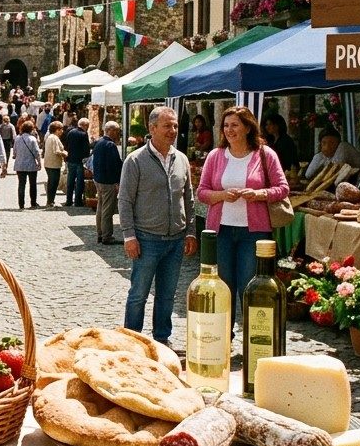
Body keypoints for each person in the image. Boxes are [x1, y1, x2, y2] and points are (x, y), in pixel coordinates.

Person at [198, 106, 290, 335]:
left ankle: (254, 338)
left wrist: (259, 194)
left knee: (251, 286)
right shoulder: (215, 156)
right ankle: (223, 337)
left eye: (235, 125)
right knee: (223, 286)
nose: (229, 130)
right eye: (226, 125)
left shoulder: (265, 154)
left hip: (254, 233)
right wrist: (221, 195)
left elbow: (283, 188)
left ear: (248, 128)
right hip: (221, 232)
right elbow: (202, 192)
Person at [119, 107, 198, 348]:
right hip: (147, 239)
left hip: (176, 239)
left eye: (175, 126)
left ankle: (162, 338)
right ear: (152, 128)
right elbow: (125, 200)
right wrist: (129, 236)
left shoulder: (181, 159)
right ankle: (132, 340)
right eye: (167, 126)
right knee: (139, 294)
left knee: (167, 294)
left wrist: (191, 232)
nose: (172, 130)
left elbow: (188, 199)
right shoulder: (135, 160)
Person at [93, 121, 124, 244]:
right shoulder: (110, 145)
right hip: (107, 181)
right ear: (111, 130)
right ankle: (107, 236)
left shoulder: (99, 142)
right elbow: (114, 165)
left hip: (99, 179)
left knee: (101, 207)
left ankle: (100, 233)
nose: (117, 133)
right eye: (116, 131)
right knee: (107, 209)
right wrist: (117, 181)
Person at [12, 120, 43, 209]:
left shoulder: (18, 138)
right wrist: (39, 163)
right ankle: (33, 202)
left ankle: (21, 204)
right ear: (31, 129)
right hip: (31, 165)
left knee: (21, 184)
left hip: (20, 165)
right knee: (32, 184)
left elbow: (14, 152)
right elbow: (36, 152)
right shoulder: (32, 139)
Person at [64, 117, 91, 207]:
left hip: (71, 159)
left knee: (70, 180)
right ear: (85, 125)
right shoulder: (84, 134)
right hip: (80, 161)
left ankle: (68, 200)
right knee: (79, 181)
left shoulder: (71, 132)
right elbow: (86, 149)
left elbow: (66, 145)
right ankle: (78, 201)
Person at [43, 121, 68, 207]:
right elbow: (56, 151)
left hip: (50, 163)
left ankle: (50, 201)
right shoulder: (54, 138)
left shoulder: (50, 137)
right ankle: (50, 201)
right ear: (57, 130)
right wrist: (65, 153)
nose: (62, 131)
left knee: (52, 182)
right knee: (53, 183)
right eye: (61, 129)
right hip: (53, 164)